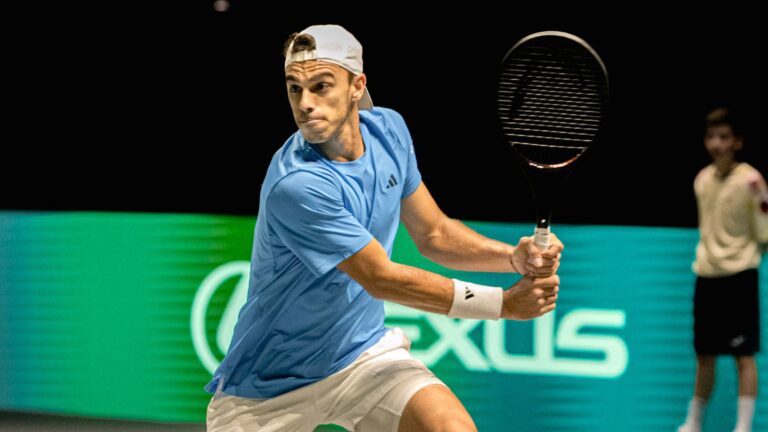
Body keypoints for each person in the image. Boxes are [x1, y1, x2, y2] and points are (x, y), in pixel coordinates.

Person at [205, 24, 563, 432]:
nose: (305, 103)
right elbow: (380, 278)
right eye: (294, 89)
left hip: (361, 358)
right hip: (267, 390)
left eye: (321, 86)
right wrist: (503, 304)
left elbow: (434, 234)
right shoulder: (297, 183)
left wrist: (512, 257)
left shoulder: (389, 132)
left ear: (357, 86)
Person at [678, 107, 768, 432]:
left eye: (725, 137)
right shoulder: (701, 180)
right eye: (712, 137)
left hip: (740, 277)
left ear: (737, 142)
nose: (718, 144)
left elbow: (765, 232)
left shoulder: (753, 181)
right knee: (704, 355)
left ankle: (743, 427)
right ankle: (693, 423)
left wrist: (742, 259)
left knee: (744, 356)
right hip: (706, 276)